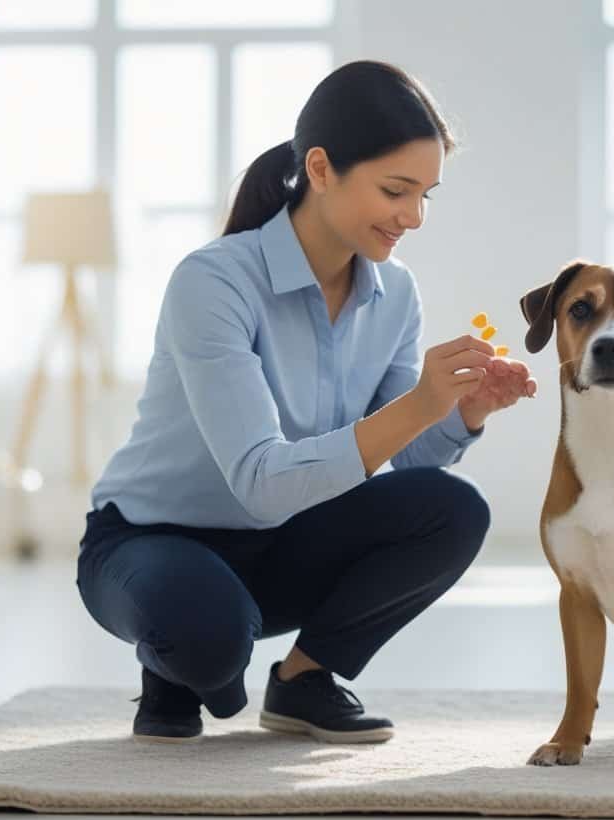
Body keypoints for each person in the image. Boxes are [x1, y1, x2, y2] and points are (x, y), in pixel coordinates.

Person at [75, 60, 536, 744]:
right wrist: (419, 402)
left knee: (454, 509)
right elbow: (261, 481)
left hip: (283, 540)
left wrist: (463, 411)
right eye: (395, 190)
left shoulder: (394, 292)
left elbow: (405, 459)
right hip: (151, 539)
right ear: (320, 169)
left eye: (426, 196)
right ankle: (180, 659)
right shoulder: (215, 281)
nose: (413, 217)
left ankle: (306, 680)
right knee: (208, 639)